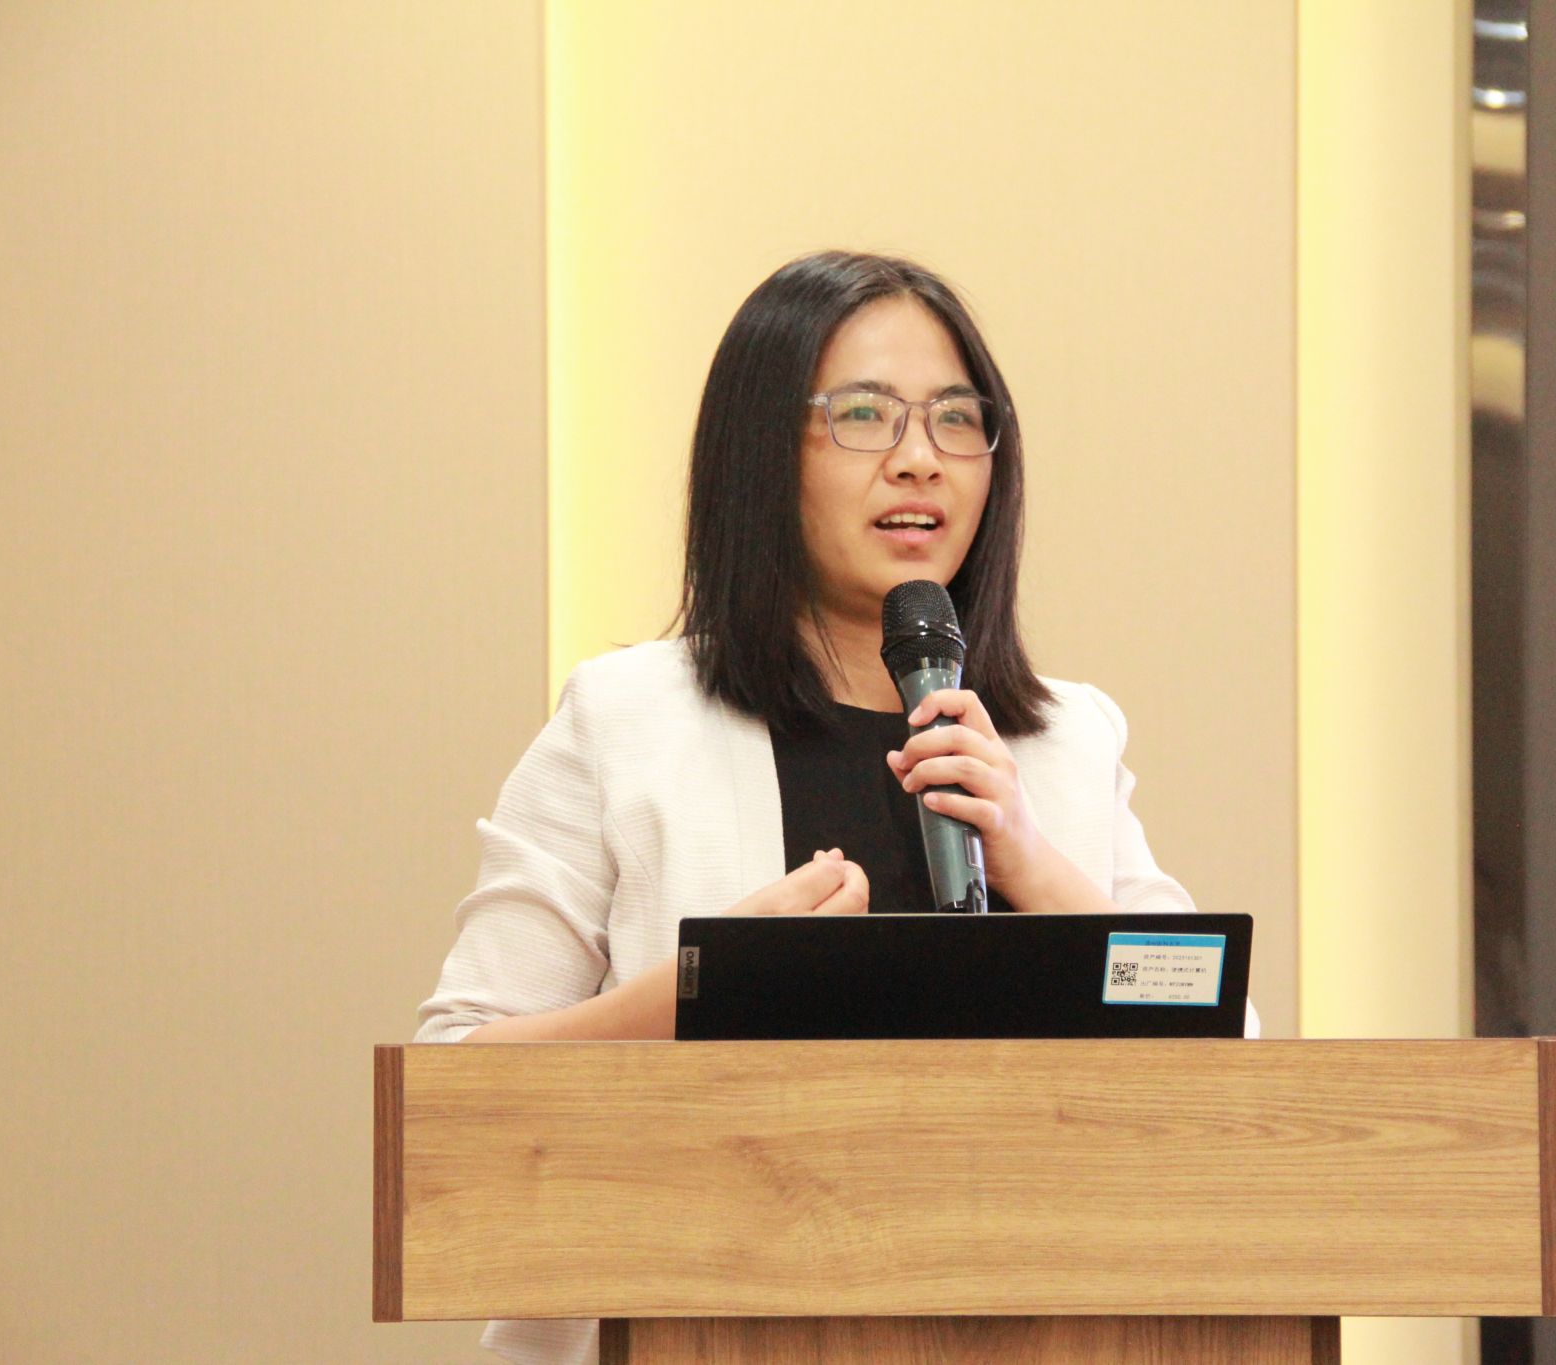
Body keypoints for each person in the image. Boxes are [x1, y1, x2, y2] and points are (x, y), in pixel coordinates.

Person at [413, 250, 1257, 1365]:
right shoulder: (627, 721)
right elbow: (454, 1090)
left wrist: (1037, 867)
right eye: (864, 414)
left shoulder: (1064, 740)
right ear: (762, 452)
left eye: (957, 418)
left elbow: (1241, 1074)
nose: (919, 458)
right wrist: (705, 987)